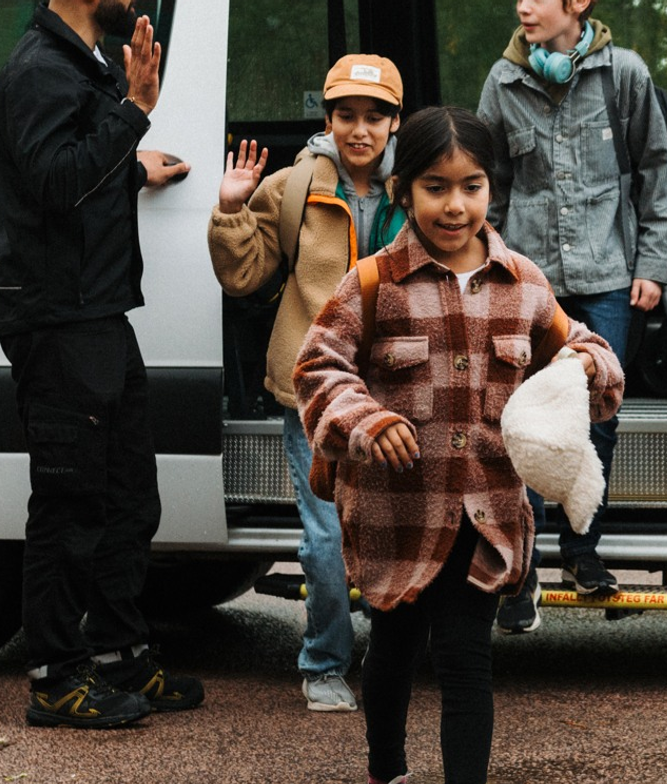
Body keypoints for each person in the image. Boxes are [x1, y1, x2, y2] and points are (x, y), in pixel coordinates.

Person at [293, 105, 624, 784]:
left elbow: (586, 348)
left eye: (471, 186)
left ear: (491, 188)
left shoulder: (524, 284)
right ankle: (387, 768)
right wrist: (366, 421)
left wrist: (588, 365)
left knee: (467, 660)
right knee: (392, 650)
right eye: (435, 187)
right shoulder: (373, 283)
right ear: (403, 191)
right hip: (397, 518)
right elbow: (318, 367)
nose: (455, 205)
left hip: (487, 513)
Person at [0, 0, 201, 729]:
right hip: (58, 318)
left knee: (128, 498)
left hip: (98, 311)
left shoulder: (85, 64)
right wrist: (136, 110)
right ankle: (54, 679)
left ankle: (120, 654)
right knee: (71, 504)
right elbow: (52, 183)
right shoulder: (38, 70)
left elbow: (79, 170)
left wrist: (133, 168)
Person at [207, 53, 409, 714]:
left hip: (393, 396)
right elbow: (244, 276)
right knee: (326, 541)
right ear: (327, 120)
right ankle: (324, 660)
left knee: (390, 533)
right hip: (313, 392)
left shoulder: (419, 190)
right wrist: (233, 211)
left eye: (375, 116)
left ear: (394, 122)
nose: (360, 129)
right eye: (346, 114)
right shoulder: (294, 187)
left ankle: (393, 656)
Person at [477, 0, 667, 629]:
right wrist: (487, 269)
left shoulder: (624, 75)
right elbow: (488, 184)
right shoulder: (502, 82)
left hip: (609, 277)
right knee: (529, 415)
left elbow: (655, 174)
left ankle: (582, 548)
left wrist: (653, 265)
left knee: (599, 412)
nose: (522, 6)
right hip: (529, 280)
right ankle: (525, 565)